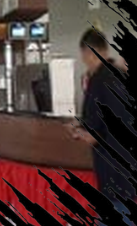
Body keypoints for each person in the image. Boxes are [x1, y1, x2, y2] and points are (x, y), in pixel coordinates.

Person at [68, 29, 135, 224]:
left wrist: (76, 132)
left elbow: (93, 135)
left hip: (112, 173)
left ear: (87, 52)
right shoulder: (121, 74)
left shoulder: (98, 81)